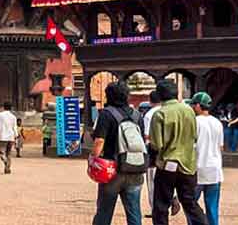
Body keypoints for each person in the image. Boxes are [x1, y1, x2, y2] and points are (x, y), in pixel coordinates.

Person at [148, 78, 208, 225]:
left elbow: (156, 144)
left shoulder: (159, 114)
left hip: (168, 165)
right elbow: (194, 136)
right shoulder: (189, 111)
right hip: (188, 165)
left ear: (160, 95)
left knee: (161, 206)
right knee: (190, 203)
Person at [91, 81, 144, 225]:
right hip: (134, 168)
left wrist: (92, 160)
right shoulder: (137, 115)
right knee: (134, 212)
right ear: (127, 96)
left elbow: (99, 142)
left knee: (104, 212)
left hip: (111, 170)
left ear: (108, 96)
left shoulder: (106, 114)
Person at [189, 92, 224, 225]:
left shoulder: (195, 122)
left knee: (191, 206)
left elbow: (190, 145)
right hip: (215, 169)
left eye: (193, 104)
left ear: (198, 105)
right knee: (212, 207)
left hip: (198, 168)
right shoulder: (217, 123)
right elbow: (221, 147)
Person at [0, 101, 18, 174]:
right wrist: (16, 135)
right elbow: (15, 127)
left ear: (3, 107)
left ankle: (6, 163)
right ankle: (7, 168)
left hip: (2, 136)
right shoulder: (13, 117)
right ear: (11, 108)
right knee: (9, 153)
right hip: (11, 136)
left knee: (2, 153)